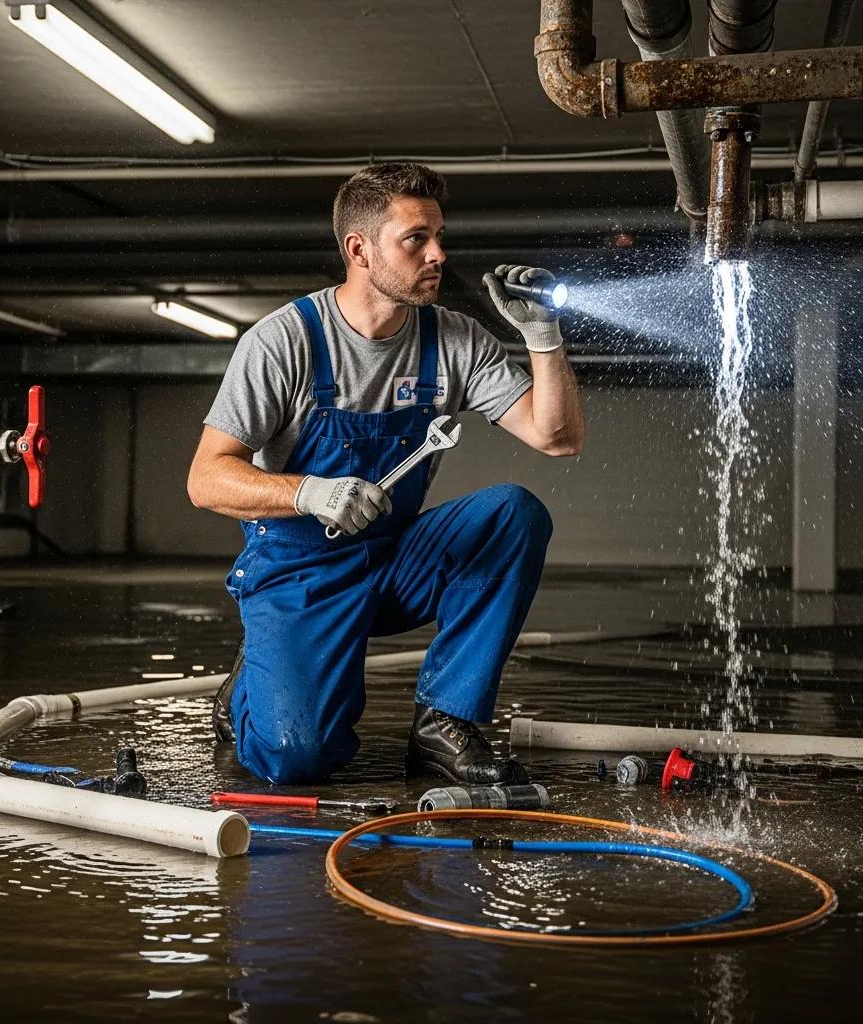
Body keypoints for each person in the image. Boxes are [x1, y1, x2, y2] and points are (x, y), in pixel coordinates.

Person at [187, 162, 585, 785]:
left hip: (393, 559)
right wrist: (311, 491)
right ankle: (251, 687)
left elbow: (557, 438)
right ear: (358, 250)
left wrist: (544, 340)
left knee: (513, 512)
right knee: (296, 757)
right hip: (301, 572)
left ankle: (444, 722)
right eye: (416, 240)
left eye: (438, 235)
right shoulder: (283, 341)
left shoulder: (455, 340)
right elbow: (206, 479)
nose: (438, 254)